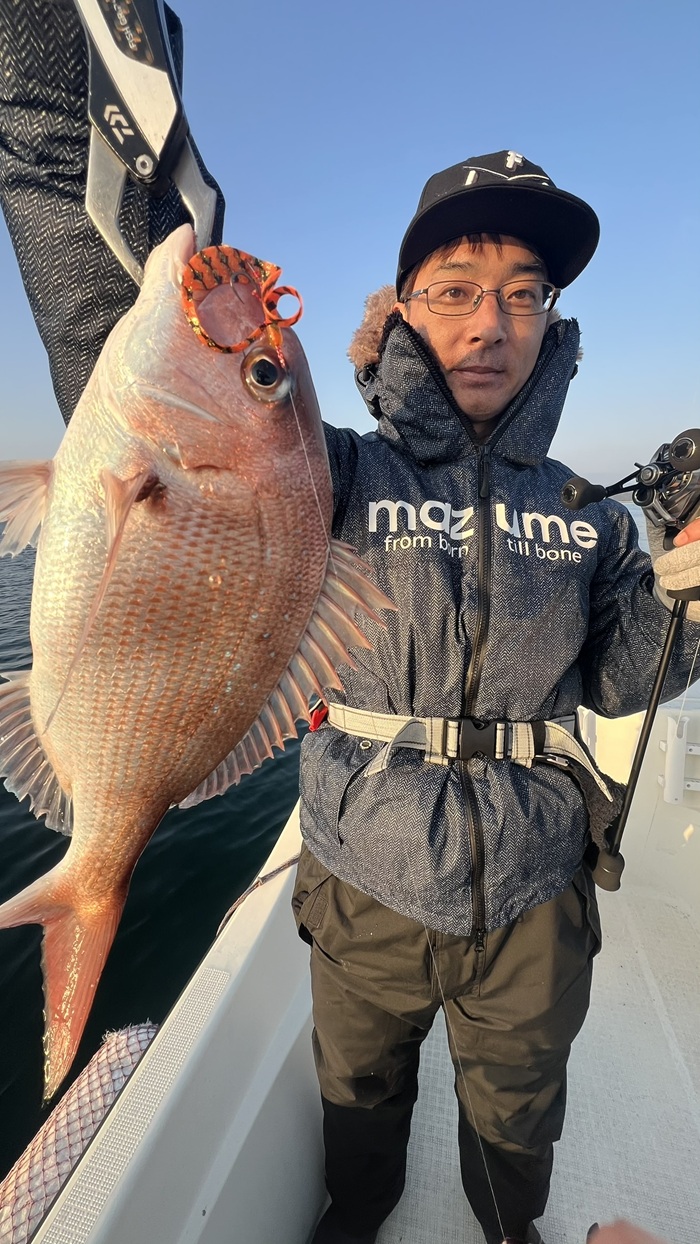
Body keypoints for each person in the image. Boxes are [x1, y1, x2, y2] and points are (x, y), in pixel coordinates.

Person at [1, 10, 699, 1244]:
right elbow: (117, 326)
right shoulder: (325, 471)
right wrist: (60, 77)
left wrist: (681, 588)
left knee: (516, 1114)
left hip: (538, 885)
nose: (490, 322)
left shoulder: (588, 511)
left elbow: (621, 677)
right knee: (357, 1094)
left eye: (523, 294)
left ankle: (507, 1224)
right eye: (456, 290)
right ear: (403, 308)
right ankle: (358, 1211)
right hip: (363, 870)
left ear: (550, 318)